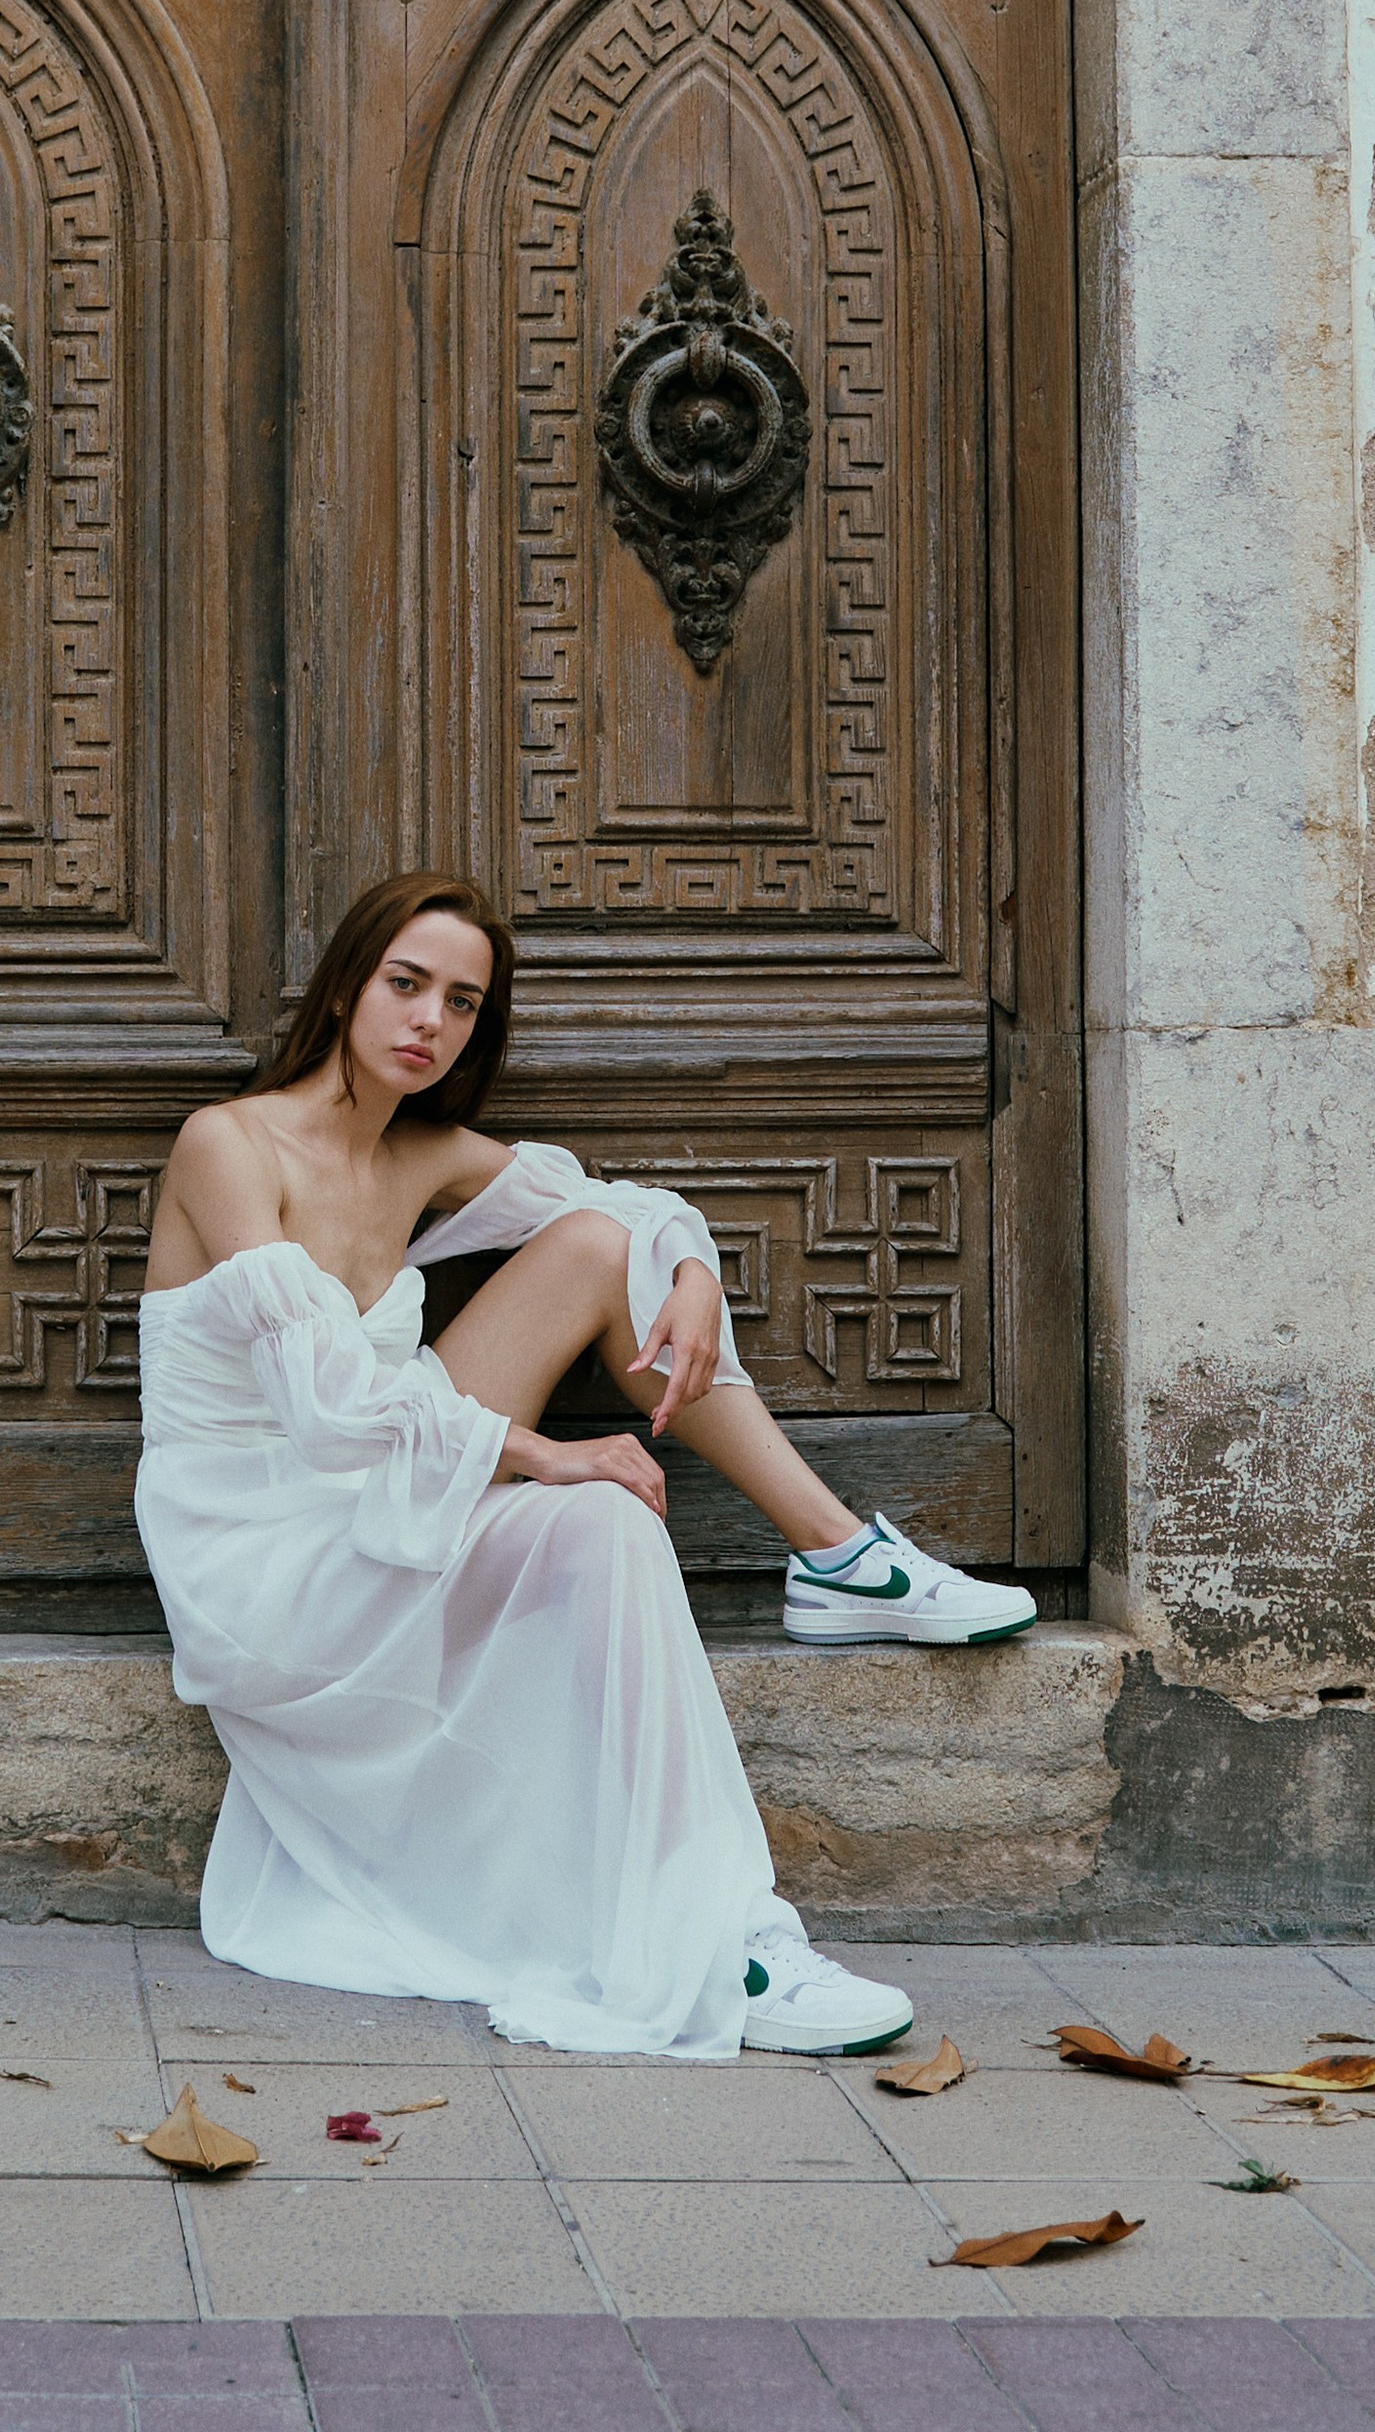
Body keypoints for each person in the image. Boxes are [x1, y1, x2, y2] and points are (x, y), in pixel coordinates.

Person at [135, 870, 1035, 2061]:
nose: (429, 1024)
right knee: (595, 1492)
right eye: (406, 986)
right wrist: (536, 1452)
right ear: (348, 984)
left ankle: (825, 1602)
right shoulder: (229, 1143)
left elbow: (617, 1209)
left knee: (609, 1277)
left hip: (378, 1504)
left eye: (461, 1003)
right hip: (268, 1572)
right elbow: (321, 1403)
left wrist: (696, 1272)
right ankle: (728, 1940)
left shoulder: (421, 1153)